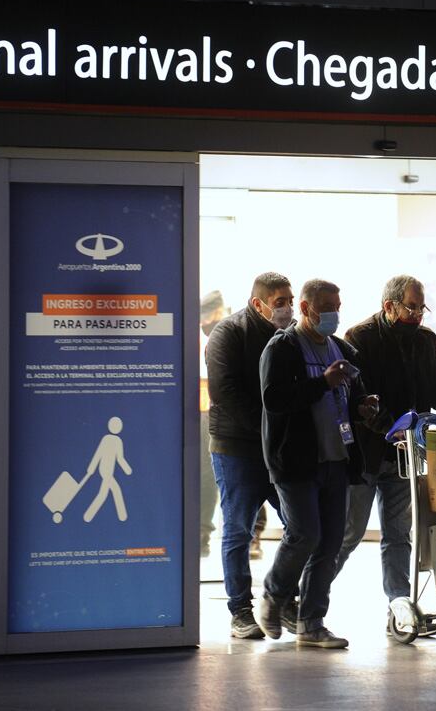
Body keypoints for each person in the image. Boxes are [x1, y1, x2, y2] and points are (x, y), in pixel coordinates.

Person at [335, 275, 436, 637]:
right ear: (389, 306)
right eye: (410, 307)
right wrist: (387, 428)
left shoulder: (425, 341)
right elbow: (357, 397)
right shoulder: (359, 338)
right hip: (366, 452)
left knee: (399, 535)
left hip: (403, 455)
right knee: (349, 533)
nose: (417, 315)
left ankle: (401, 608)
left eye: (421, 307)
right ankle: (307, 600)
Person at [256, 279, 379, 649]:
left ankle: (311, 622)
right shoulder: (283, 348)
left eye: (338, 305)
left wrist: (363, 407)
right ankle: (274, 595)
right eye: (327, 306)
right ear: (306, 309)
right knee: (304, 534)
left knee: (329, 542)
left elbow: (352, 394)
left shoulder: (342, 348)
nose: (334, 314)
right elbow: (274, 399)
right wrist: (322, 383)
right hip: (295, 460)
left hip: (336, 457)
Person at [206, 273, 298, 639]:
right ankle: (240, 611)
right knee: (238, 530)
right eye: (280, 301)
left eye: (290, 299)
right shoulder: (227, 334)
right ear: (258, 303)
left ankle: (282, 600)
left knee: (299, 526)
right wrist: (268, 432)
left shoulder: (292, 337)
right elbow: (225, 392)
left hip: (278, 449)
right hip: (237, 450)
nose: (288, 307)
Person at [199, 290, 228, 557]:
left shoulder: (230, 332)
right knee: (205, 475)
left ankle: (202, 534)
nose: (204, 320)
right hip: (200, 413)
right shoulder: (201, 335)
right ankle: (201, 533)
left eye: (208, 314)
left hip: (216, 415)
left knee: (210, 476)